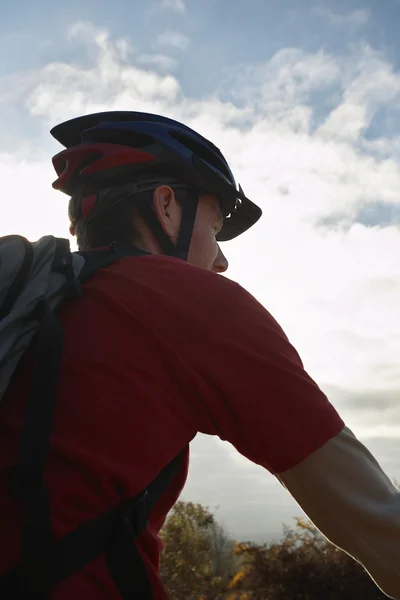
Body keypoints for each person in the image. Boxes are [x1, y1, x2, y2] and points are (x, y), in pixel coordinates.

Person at [0, 111, 399, 600]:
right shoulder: (189, 300)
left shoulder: (36, 302)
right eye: (215, 227)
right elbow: (374, 518)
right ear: (166, 206)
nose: (222, 261)